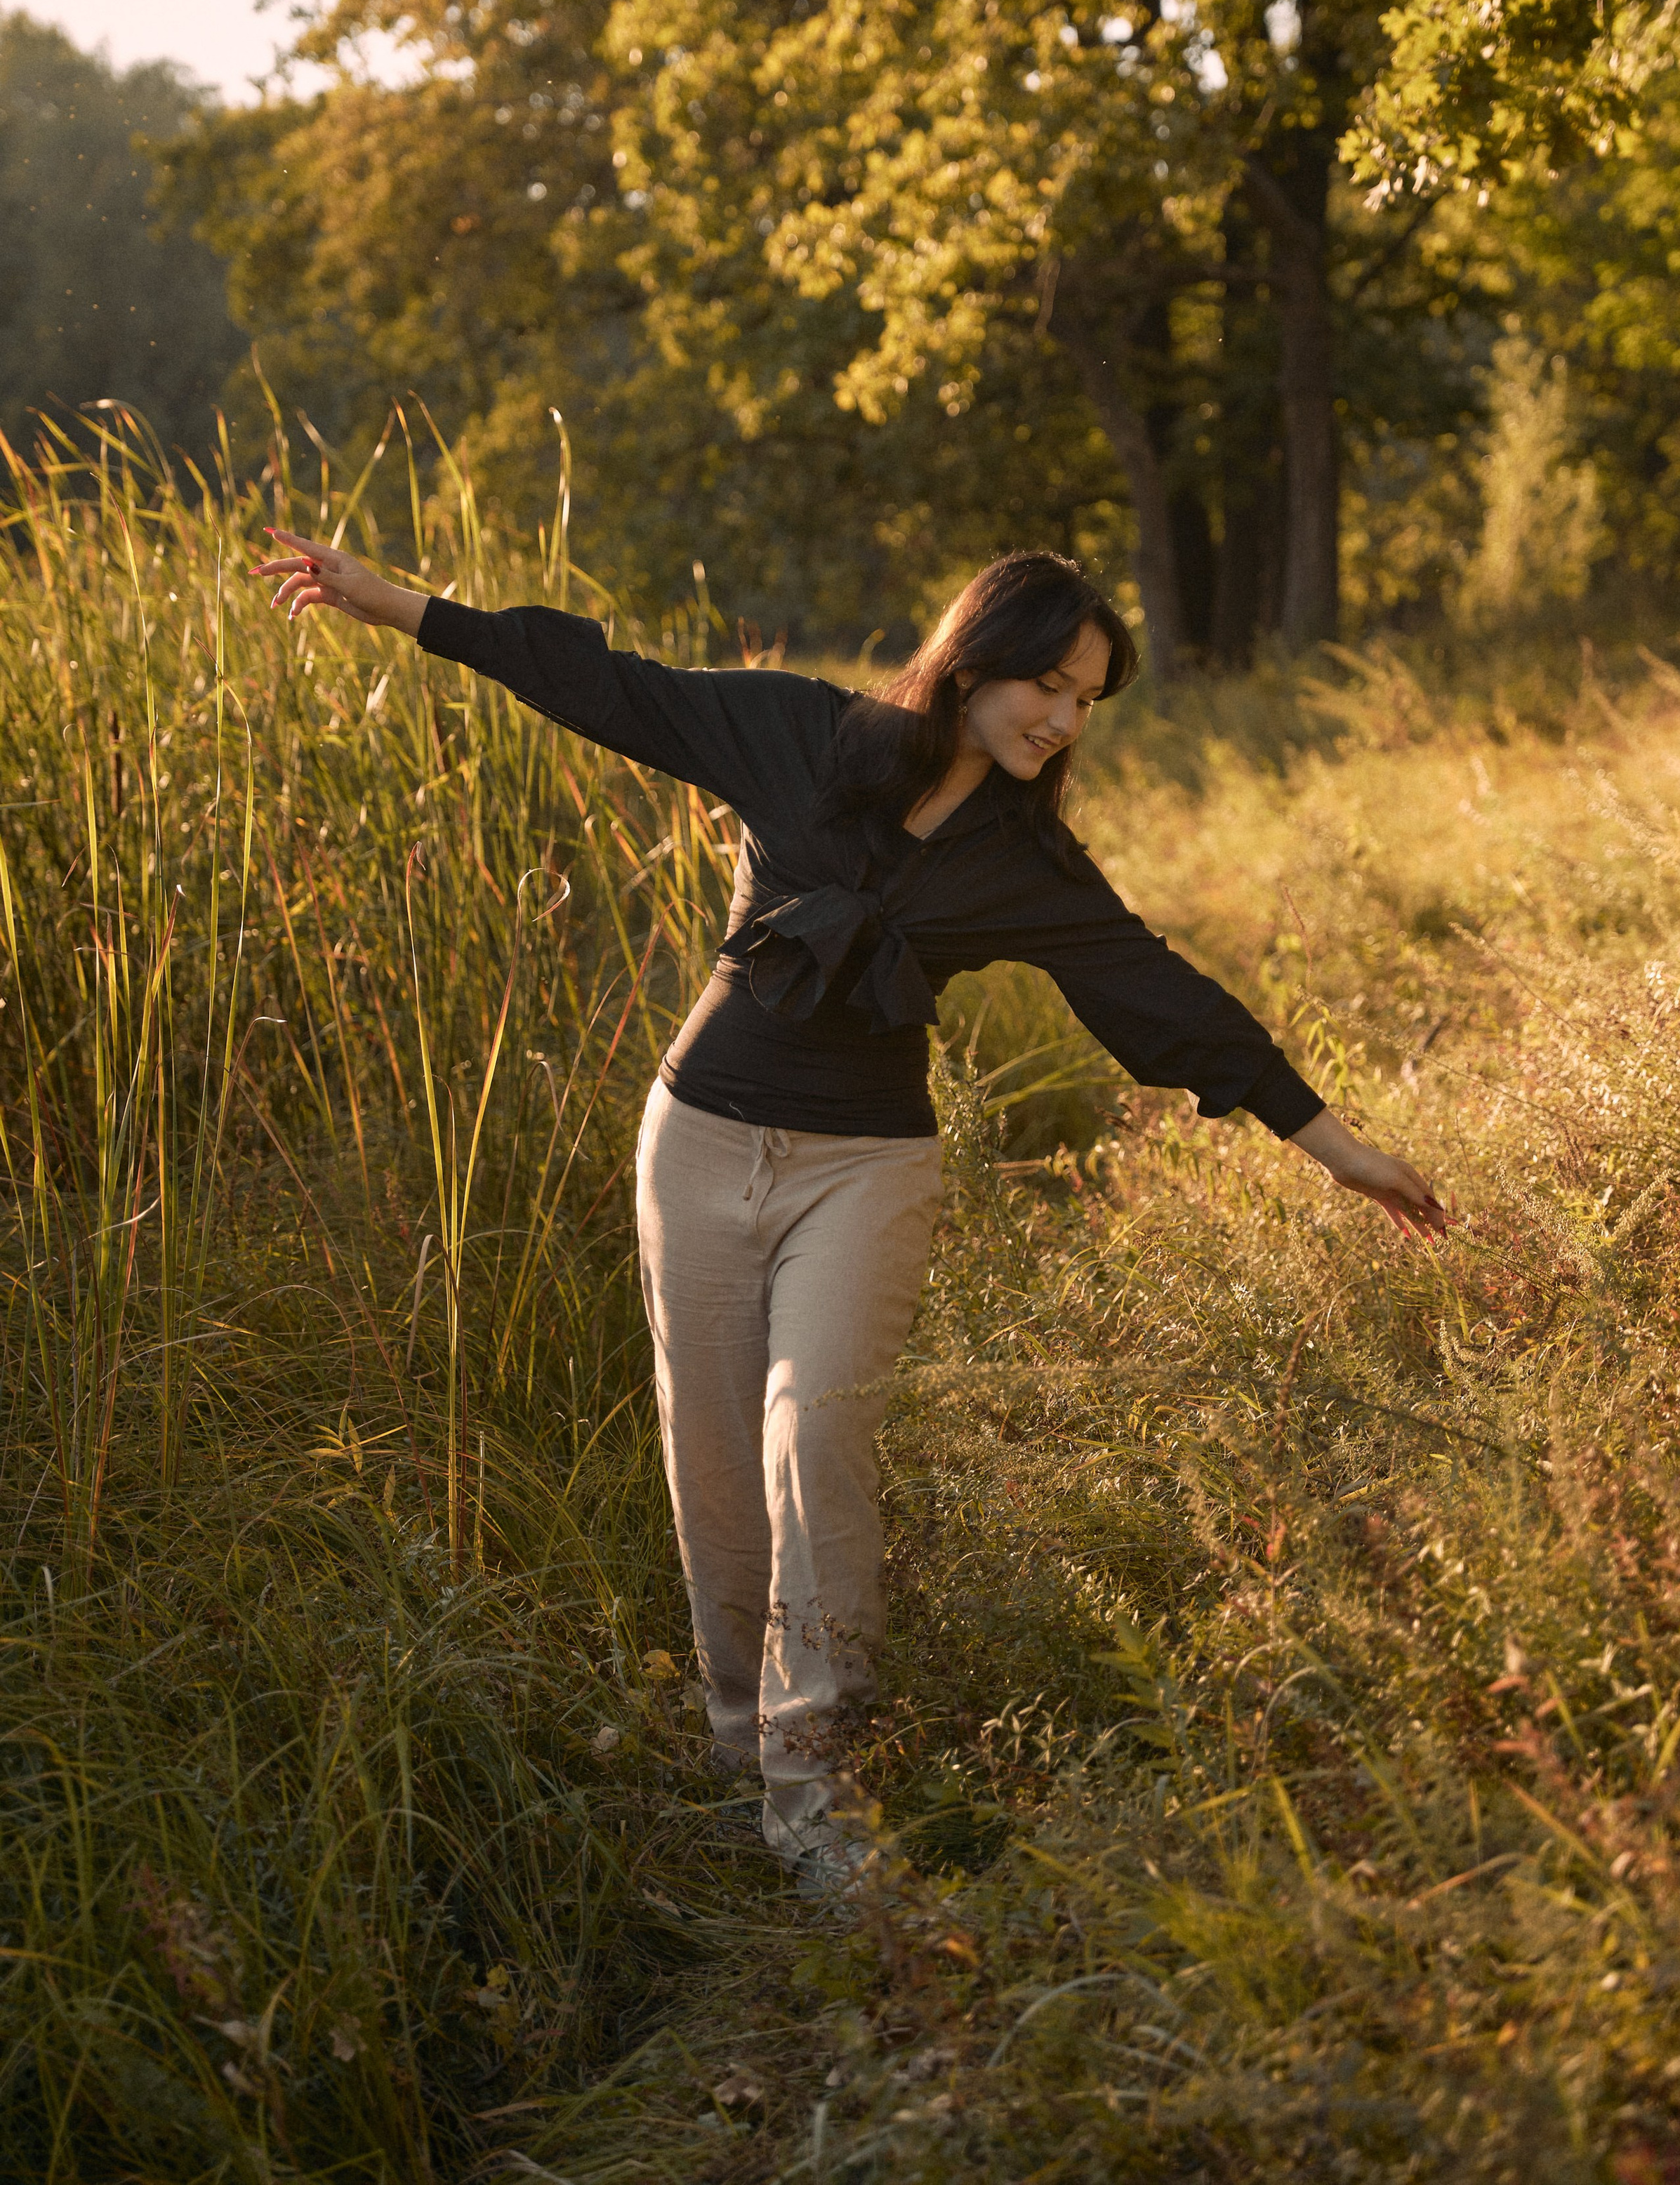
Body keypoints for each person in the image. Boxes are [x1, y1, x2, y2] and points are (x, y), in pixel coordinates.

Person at [256, 534, 1446, 1894]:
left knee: (809, 1435)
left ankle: (820, 1789)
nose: (1059, 720)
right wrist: (395, 607)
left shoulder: (1026, 862)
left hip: (863, 1170)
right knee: (710, 1466)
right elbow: (605, 685)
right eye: (1047, 683)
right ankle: (732, 1747)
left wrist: (1334, 1144)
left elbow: (1159, 994)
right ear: (978, 652)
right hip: (695, 1144)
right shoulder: (804, 738)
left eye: (1084, 701)